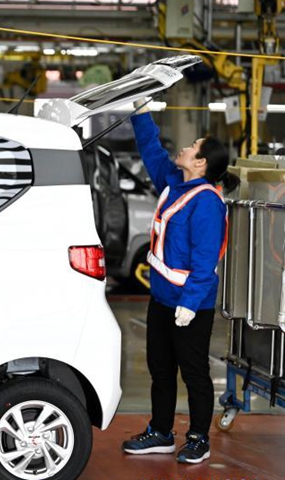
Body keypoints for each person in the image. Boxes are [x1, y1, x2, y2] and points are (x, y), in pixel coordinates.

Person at [121, 100, 239, 464]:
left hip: (191, 306)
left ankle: (198, 439)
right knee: (160, 369)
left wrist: (189, 304)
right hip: (162, 299)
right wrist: (140, 113)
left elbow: (206, 260)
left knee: (194, 373)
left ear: (201, 163)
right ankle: (160, 432)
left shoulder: (207, 204)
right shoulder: (174, 182)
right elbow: (152, 151)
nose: (185, 148)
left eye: (192, 147)